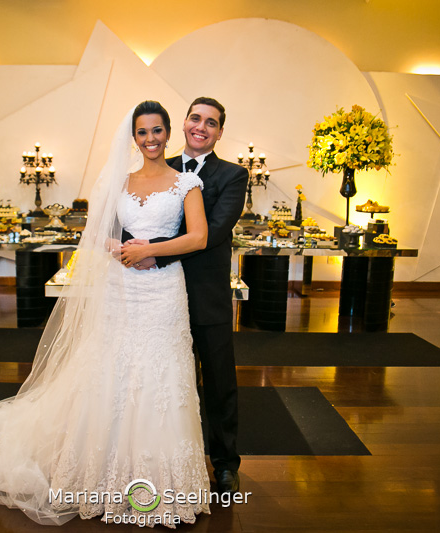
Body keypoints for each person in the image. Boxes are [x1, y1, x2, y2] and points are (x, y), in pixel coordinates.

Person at [0, 101, 212, 528]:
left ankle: (162, 479)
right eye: (142, 132)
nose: (150, 139)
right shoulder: (119, 181)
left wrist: (150, 249)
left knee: (162, 372)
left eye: (157, 130)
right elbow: (96, 232)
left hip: (162, 291)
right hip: (120, 285)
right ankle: (99, 470)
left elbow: (198, 237)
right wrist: (118, 248)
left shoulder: (186, 182)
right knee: (111, 367)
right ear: (133, 137)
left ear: (168, 133)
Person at [122, 97, 249, 494]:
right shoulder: (160, 163)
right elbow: (137, 218)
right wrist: (129, 247)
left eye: (211, 123)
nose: (201, 127)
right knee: (168, 381)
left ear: (220, 133)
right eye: (196, 118)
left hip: (206, 293)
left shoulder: (233, 175)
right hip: (158, 295)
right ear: (183, 123)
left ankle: (225, 463)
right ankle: (172, 459)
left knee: (218, 381)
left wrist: (152, 252)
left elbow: (211, 232)